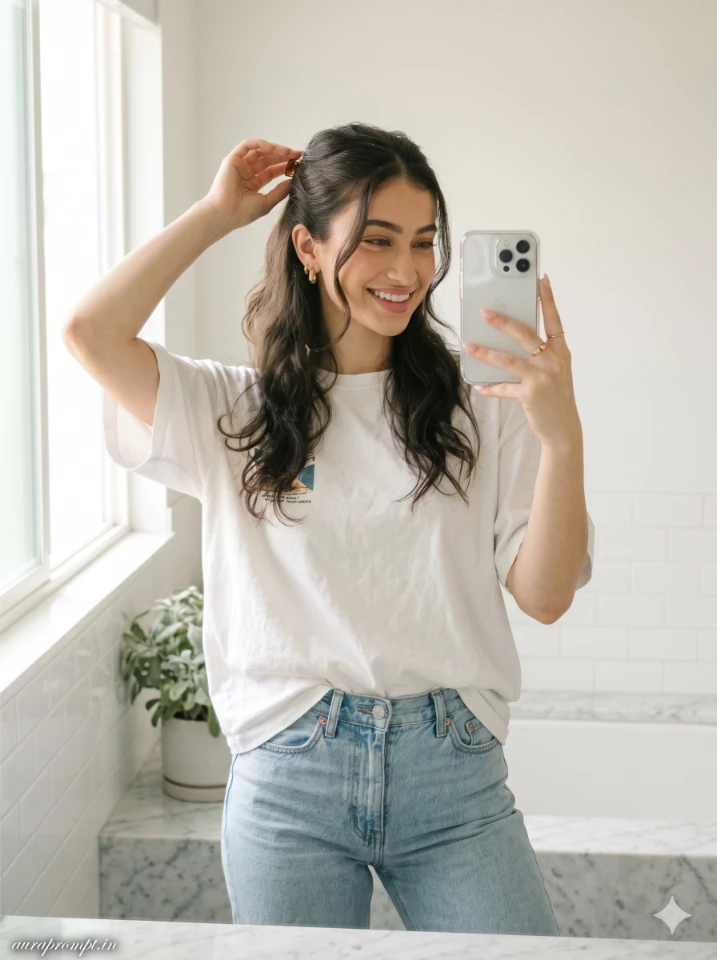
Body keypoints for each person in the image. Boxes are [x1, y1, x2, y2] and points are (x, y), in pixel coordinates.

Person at [63, 123, 594, 936]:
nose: (407, 271)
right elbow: (90, 334)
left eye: (423, 242)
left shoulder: (482, 406)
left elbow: (547, 597)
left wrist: (562, 438)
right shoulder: (232, 411)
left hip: (450, 773)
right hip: (289, 775)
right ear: (308, 249)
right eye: (376, 241)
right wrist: (215, 213)